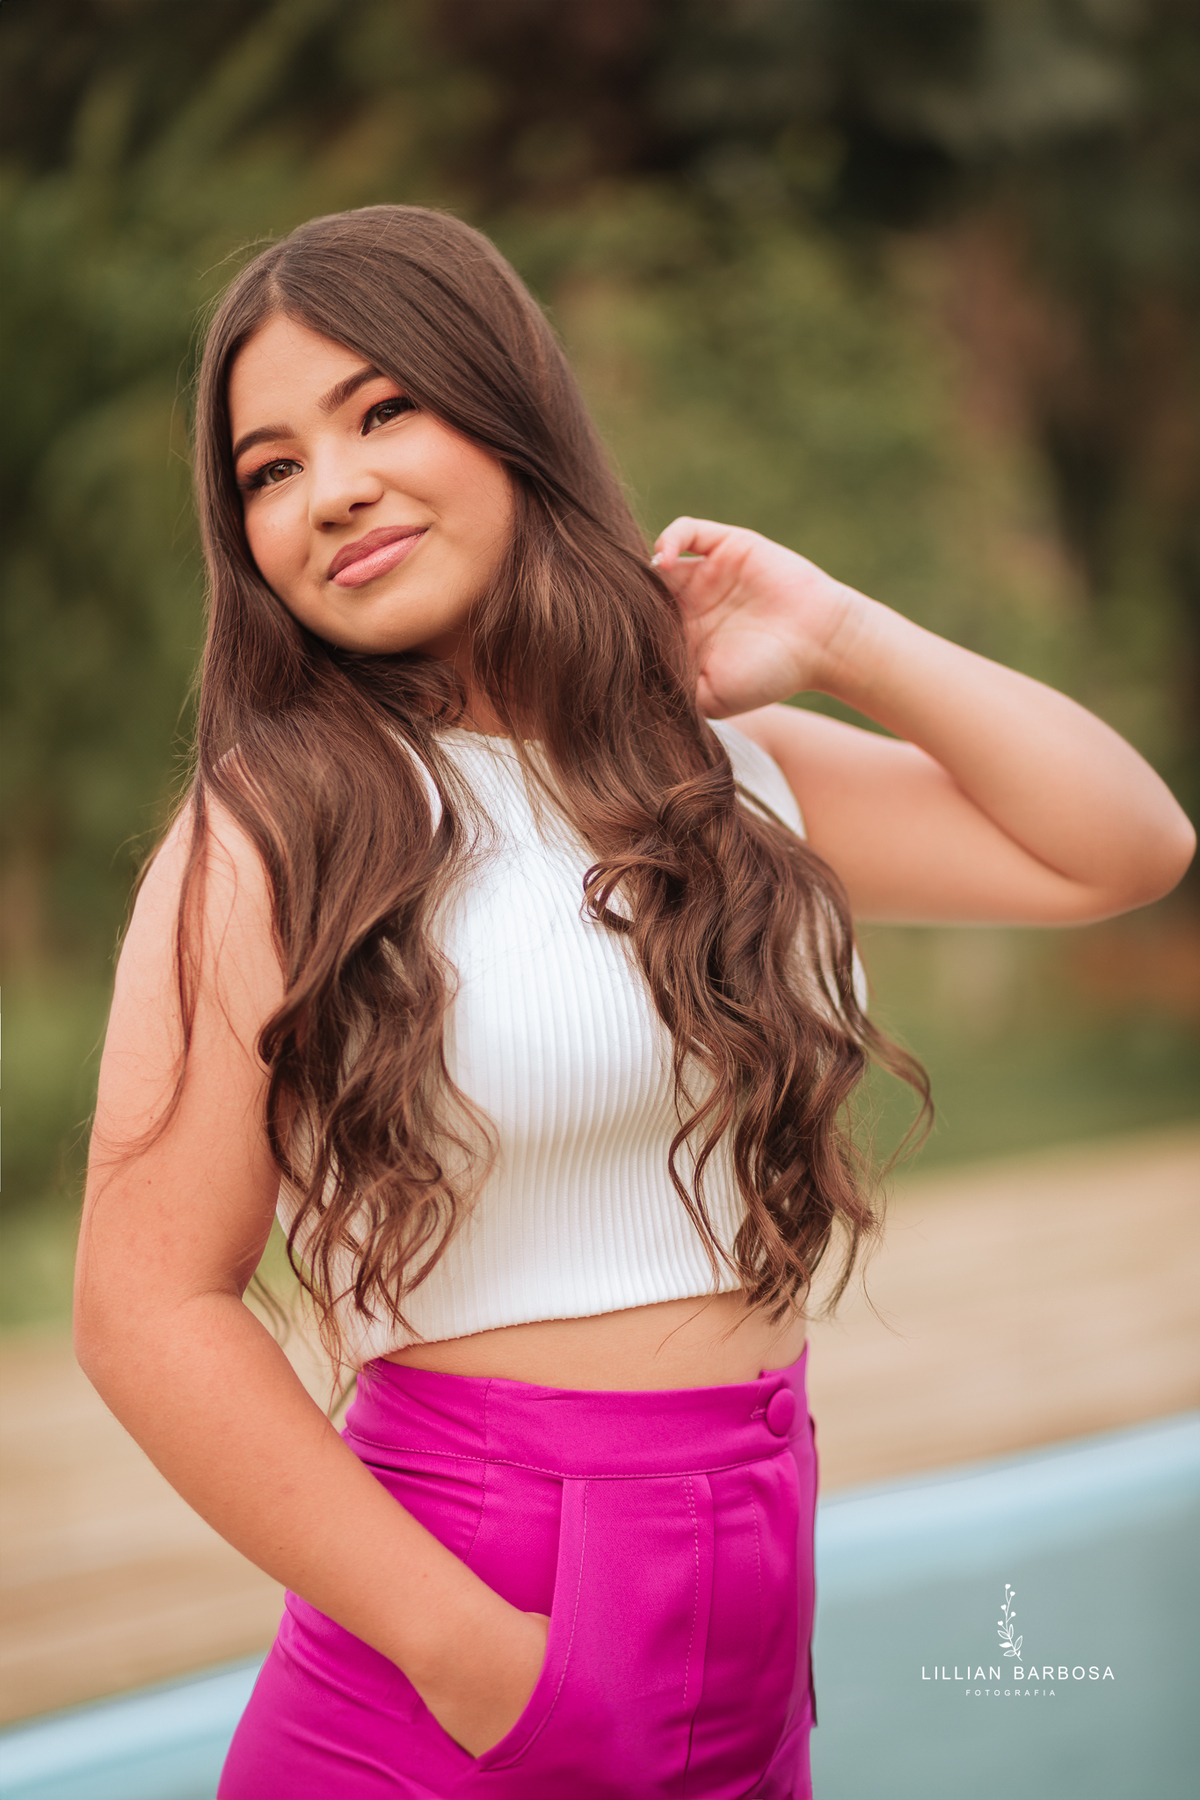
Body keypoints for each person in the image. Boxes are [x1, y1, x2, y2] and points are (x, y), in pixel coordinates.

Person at [74, 205, 1194, 1800]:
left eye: (383, 410)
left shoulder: (715, 774)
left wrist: (838, 635)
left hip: (750, 1591)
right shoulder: (271, 835)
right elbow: (144, 1309)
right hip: (468, 1628)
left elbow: (1126, 844)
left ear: (509, 407)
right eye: (269, 468)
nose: (332, 491)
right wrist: (478, 1662)